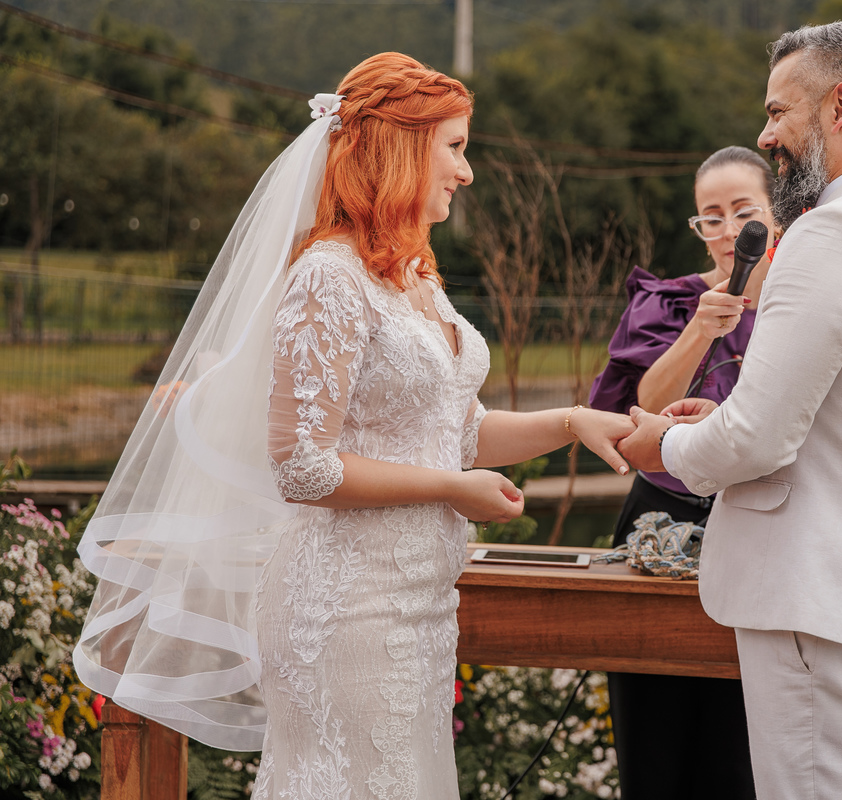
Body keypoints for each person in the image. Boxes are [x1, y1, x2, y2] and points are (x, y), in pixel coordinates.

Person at [72, 53, 633, 800]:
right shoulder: (327, 277)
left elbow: (456, 431)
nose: (466, 174)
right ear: (398, 148)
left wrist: (571, 421)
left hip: (425, 603)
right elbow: (303, 465)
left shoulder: (415, 277)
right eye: (456, 148)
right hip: (344, 607)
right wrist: (451, 489)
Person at [617, 22, 842, 800]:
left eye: (779, 112)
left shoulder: (837, 231)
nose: (764, 133)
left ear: (841, 104)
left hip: (821, 602)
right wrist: (712, 418)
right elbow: (835, 418)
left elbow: (758, 438)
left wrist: (660, 448)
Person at [587, 145, 773, 800]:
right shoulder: (668, 303)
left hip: (765, 534)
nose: (726, 232)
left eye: (741, 213)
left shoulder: (804, 307)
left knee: (737, 753)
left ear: (775, 215)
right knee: (653, 744)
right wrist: (700, 330)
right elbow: (639, 413)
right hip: (661, 524)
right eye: (710, 218)